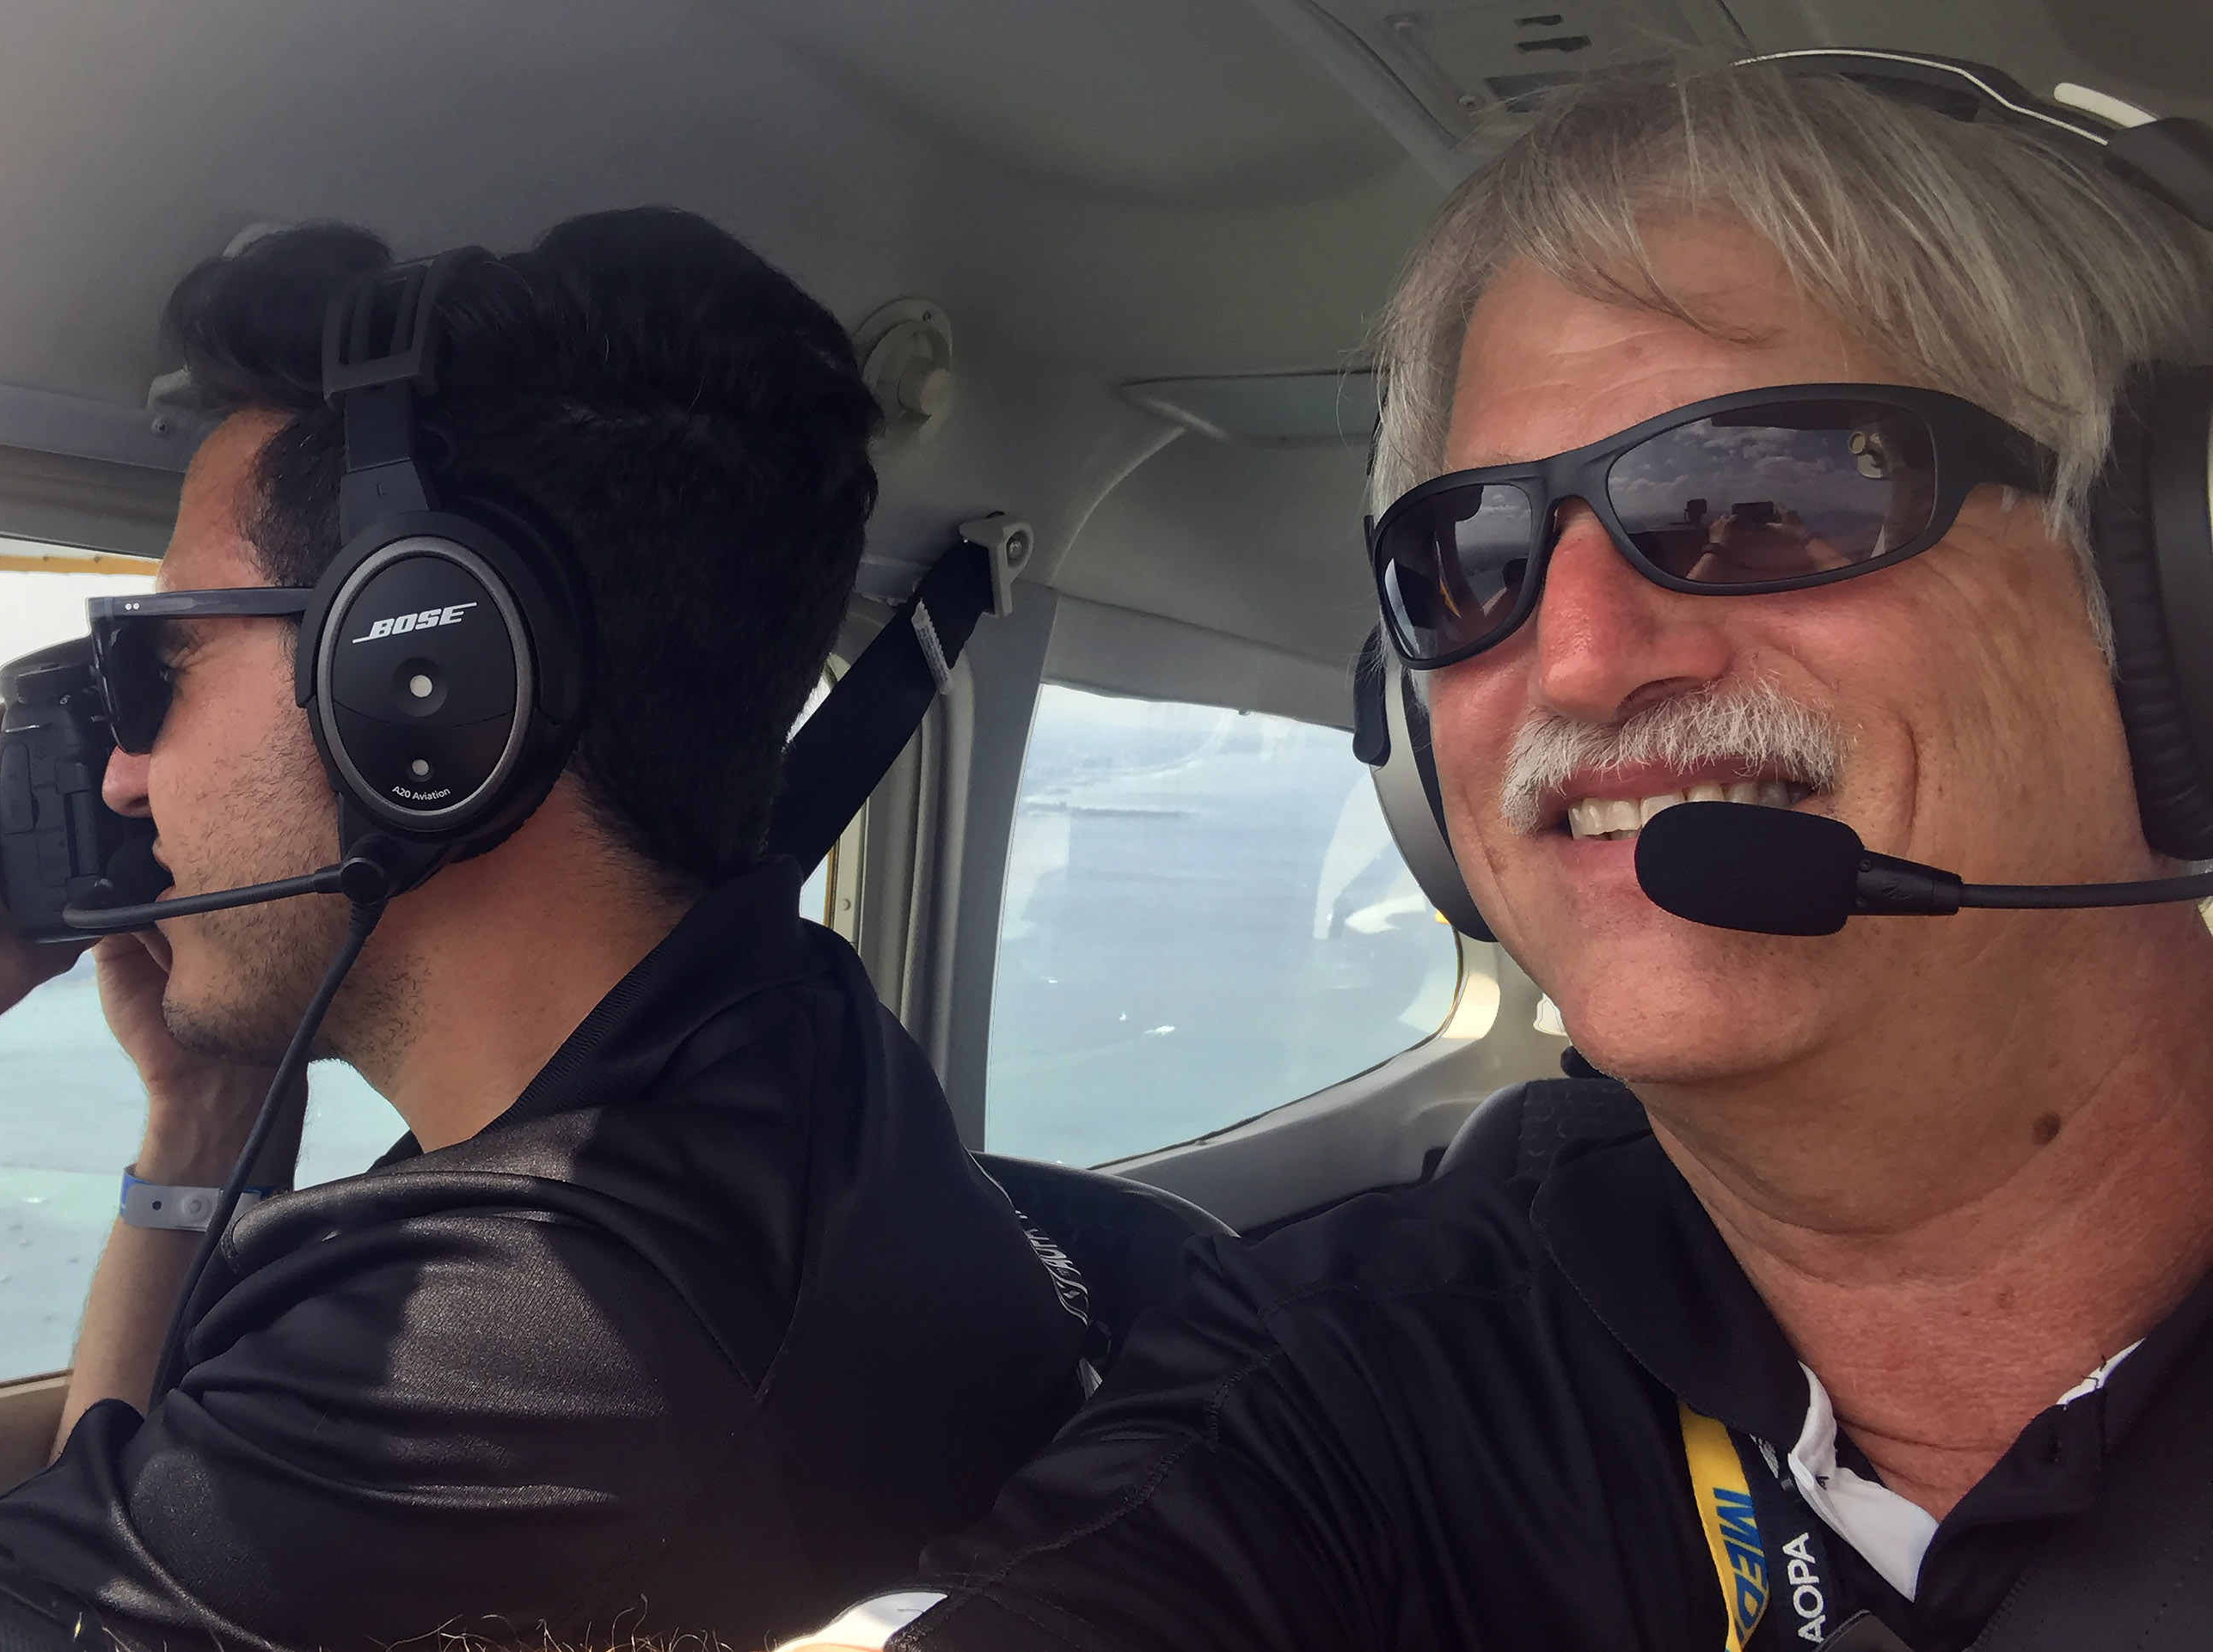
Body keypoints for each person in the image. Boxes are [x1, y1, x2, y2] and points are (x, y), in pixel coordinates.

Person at [783, 60, 2213, 1652]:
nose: (1581, 660)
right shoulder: (1347, 1361)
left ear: (2164, 586)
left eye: (1758, 492)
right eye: (1474, 559)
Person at [0, 211, 1088, 1650]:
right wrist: (200, 1126)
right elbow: (130, 1521)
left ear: (429, 693)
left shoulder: (531, 1345)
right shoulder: (764, 1063)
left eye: (165, 660)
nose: (126, 770)